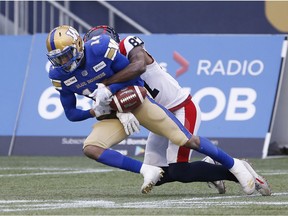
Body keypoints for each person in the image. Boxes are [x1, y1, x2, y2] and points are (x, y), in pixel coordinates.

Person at [46, 25, 255, 196]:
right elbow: (73, 112)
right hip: (124, 109)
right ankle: (166, 170)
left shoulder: (121, 47)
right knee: (160, 175)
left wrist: (108, 90)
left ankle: (235, 166)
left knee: (181, 164)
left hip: (170, 105)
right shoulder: (60, 75)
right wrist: (98, 110)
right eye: (59, 58)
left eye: (66, 55)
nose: (64, 62)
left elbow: (137, 74)